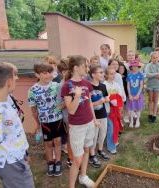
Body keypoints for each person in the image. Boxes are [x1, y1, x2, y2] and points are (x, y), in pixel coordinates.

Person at [61, 55, 96, 188]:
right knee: (77, 159)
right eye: (84, 66)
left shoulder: (87, 83)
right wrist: (76, 95)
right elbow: (71, 110)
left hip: (89, 124)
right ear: (76, 68)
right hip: (77, 127)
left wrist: (94, 119)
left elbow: (90, 102)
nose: (87, 68)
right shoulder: (67, 86)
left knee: (87, 149)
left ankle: (83, 176)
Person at [28, 63, 65, 176]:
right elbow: (34, 110)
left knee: (58, 141)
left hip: (57, 120)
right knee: (48, 143)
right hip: (44, 122)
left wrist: (61, 106)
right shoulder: (33, 90)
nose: (48, 75)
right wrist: (38, 124)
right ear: (37, 74)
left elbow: (65, 101)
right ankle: (50, 162)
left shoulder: (57, 86)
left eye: (50, 72)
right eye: (44, 73)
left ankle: (58, 162)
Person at [88, 65, 110, 168]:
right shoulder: (88, 87)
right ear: (93, 74)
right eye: (100, 72)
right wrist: (98, 102)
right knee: (94, 136)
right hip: (93, 117)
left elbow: (105, 96)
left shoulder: (103, 86)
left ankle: (100, 150)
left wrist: (107, 98)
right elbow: (87, 104)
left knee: (102, 134)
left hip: (103, 114)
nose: (103, 74)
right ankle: (92, 155)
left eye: (103, 72)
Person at [57, 58, 74, 168]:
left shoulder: (72, 82)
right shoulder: (62, 85)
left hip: (76, 114)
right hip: (68, 115)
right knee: (71, 136)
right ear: (63, 72)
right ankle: (70, 159)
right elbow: (60, 105)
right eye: (70, 70)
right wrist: (71, 99)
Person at [104, 67, 126, 152]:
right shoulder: (104, 84)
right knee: (111, 127)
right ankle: (111, 146)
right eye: (111, 74)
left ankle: (115, 140)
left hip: (116, 109)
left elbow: (120, 95)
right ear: (106, 75)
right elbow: (105, 97)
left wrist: (119, 105)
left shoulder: (116, 84)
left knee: (116, 125)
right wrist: (112, 98)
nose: (113, 75)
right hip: (108, 110)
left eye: (114, 73)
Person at [145, 52, 159, 123]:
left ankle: (154, 114)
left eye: (156, 57)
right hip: (150, 85)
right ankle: (150, 113)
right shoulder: (148, 65)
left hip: (157, 85)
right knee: (150, 99)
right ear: (151, 58)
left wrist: (156, 75)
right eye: (154, 58)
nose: (155, 59)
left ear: (158, 58)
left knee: (156, 100)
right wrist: (156, 74)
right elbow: (147, 74)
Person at [126, 60, 145, 128]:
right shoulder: (129, 75)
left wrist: (138, 95)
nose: (135, 67)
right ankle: (131, 120)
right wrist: (130, 94)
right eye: (133, 66)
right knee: (131, 108)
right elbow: (128, 86)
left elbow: (141, 85)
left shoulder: (140, 75)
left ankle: (137, 120)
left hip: (138, 94)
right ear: (131, 67)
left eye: (136, 66)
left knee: (138, 108)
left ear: (138, 67)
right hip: (131, 94)